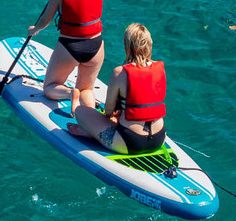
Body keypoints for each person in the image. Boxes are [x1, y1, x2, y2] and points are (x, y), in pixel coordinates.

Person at [70, 22, 170, 153]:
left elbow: (108, 110)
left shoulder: (120, 72)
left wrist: (113, 115)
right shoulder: (160, 69)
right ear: (149, 45)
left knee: (81, 111)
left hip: (129, 142)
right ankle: (95, 132)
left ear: (128, 47)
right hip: (159, 138)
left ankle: (89, 129)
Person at [32, 0, 106, 112]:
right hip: (96, 46)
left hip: (70, 47)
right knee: (87, 89)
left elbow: (46, 19)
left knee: (50, 87)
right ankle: (89, 116)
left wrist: (34, 29)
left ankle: (70, 94)